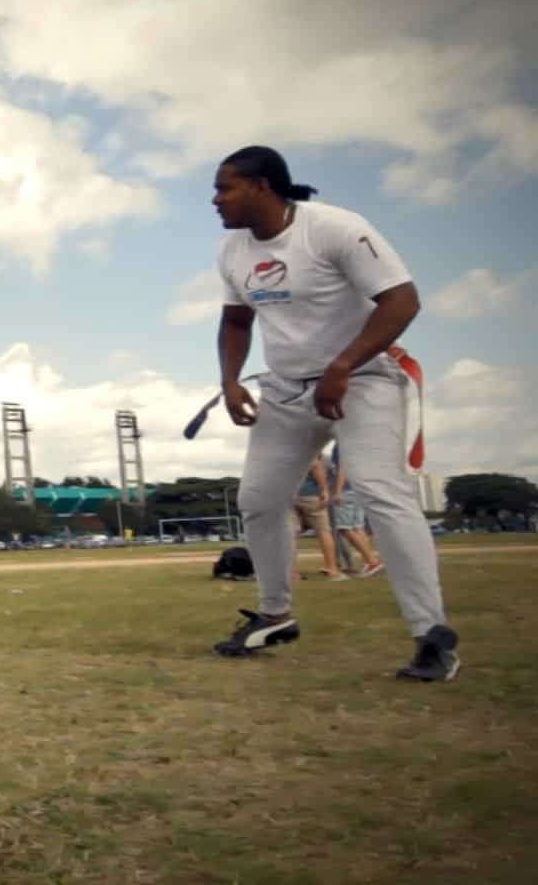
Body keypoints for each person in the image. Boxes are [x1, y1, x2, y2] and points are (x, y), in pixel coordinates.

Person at [207, 146, 456, 680]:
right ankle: (276, 615)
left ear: (262, 186)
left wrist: (343, 364)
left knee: (378, 489)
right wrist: (229, 382)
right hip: (287, 390)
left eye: (225, 187)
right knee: (258, 499)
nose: (216, 199)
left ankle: (432, 635)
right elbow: (235, 323)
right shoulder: (232, 250)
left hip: (362, 380)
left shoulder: (335, 229)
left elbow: (402, 300)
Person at [329, 447, 385, 578]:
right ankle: (371, 561)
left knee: (344, 528)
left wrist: (338, 491)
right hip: (358, 490)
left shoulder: (341, 445)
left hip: (346, 491)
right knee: (357, 528)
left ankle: (372, 562)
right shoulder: (357, 445)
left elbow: (343, 467)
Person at [292, 456, 347, 580]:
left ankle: (292, 572)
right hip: (310, 494)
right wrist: (324, 490)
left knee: (291, 533)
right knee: (324, 531)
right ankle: (332, 569)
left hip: (288, 495)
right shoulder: (306, 448)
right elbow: (314, 464)